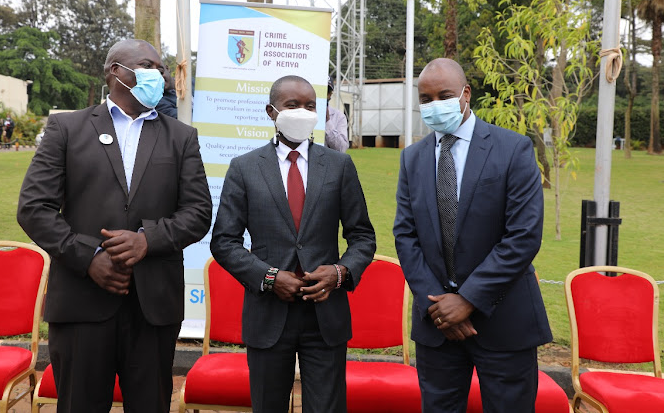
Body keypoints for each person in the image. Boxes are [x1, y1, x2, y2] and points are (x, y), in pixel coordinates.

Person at [17, 39, 212, 413]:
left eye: (161, 68)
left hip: (153, 307)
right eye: (147, 65)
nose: (160, 75)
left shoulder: (181, 137)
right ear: (115, 72)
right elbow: (34, 209)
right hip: (80, 304)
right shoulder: (66, 128)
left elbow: (198, 212)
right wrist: (89, 257)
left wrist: (147, 240)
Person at [393, 58, 551, 413]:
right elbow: (405, 235)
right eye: (426, 98)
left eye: (444, 95)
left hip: (504, 319)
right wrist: (438, 305)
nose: (434, 105)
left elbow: (523, 235)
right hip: (437, 325)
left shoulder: (513, 149)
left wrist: (467, 300)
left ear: (466, 94)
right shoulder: (412, 158)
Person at [210, 75, 376, 413]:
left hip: (325, 316)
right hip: (269, 314)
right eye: (292, 105)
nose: (302, 112)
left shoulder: (339, 165)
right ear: (272, 112)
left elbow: (362, 236)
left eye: (310, 106)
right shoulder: (244, 169)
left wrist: (340, 272)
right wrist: (269, 277)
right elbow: (224, 242)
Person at [324, 77, 349, 152]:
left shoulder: (338, 116)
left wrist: (328, 121)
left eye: (327, 91)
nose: (323, 95)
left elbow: (342, 148)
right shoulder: (304, 113)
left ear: (330, 95)